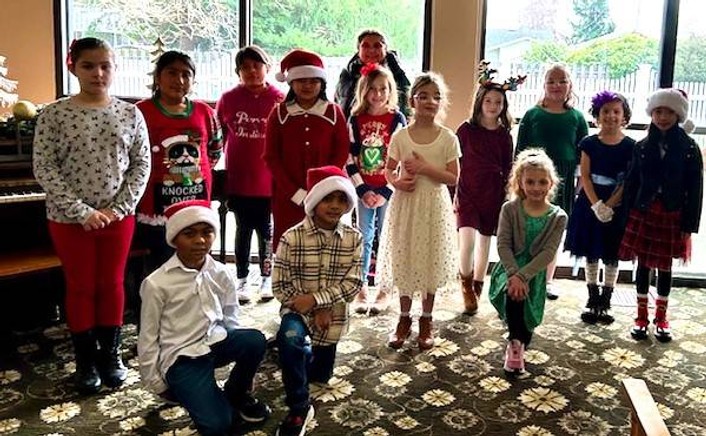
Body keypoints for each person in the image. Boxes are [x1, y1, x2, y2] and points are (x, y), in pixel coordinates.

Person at [33, 37, 151, 394]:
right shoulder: (54, 114)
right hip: (69, 220)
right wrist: (82, 211)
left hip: (118, 217)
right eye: (88, 65)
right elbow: (45, 166)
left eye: (105, 65)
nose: (98, 73)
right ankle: (85, 360)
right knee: (81, 286)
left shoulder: (130, 113)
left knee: (112, 284)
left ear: (114, 68)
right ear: (73, 66)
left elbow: (141, 164)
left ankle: (110, 355)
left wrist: (116, 209)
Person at [138, 200, 271, 436]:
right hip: (183, 357)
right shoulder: (157, 283)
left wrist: (235, 342)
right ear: (174, 238)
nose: (200, 240)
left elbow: (231, 315)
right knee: (219, 424)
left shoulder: (221, 272)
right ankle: (201, 396)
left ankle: (236, 392)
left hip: (215, 343)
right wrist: (156, 383)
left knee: (255, 340)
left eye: (207, 232)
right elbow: (148, 337)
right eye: (189, 234)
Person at [273, 166, 363, 436]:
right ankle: (299, 407)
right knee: (289, 337)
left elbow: (354, 283)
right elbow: (279, 285)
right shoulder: (291, 237)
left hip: (332, 318)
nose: (335, 206)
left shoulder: (354, 238)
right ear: (313, 201)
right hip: (296, 313)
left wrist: (318, 301)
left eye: (341, 199)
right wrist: (310, 308)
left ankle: (298, 353)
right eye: (328, 199)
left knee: (319, 377)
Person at [378, 72, 460, 351]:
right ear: (412, 100)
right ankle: (403, 318)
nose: (429, 101)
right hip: (406, 205)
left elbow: (452, 177)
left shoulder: (447, 138)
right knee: (406, 257)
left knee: (429, 259)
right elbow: (388, 169)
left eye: (436, 97)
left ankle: (426, 319)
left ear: (441, 103)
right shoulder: (401, 136)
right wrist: (397, 181)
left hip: (434, 207)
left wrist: (425, 168)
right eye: (423, 95)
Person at [619, 88, 703, 343]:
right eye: (658, 111)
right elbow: (632, 181)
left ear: (677, 114)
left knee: (665, 267)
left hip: (672, 213)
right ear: (651, 114)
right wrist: (624, 214)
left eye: (668, 112)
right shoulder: (643, 146)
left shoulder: (689, 147)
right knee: (643, 265)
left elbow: (696, 188)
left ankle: (662, 319)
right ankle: (641, 317)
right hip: (643, 211)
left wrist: (689, 224)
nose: (663, 117)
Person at [136, 51, 223, 275]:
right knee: (160, 268)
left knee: (197, 264)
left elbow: (215, 148)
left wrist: (192, 172)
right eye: (172, 73)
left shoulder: (205, 112)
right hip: (156, 208)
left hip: (196, 203)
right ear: (158, 77)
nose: (180, 80)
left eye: (186, 74)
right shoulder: (140, 112)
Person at [488, 149, 567, 377]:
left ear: (551, 183)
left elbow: (548, 253)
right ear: (520, 183)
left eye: (542, 182)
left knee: (527, 325)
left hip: (534, 272)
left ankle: (520, 339)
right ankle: (515, 346)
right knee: (514, 294)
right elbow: (503, 244)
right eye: (530, 181)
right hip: (509, 268)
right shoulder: (510, 209)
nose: (536, 187)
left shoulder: (558, 217)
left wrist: (524, 276)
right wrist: (514, 274)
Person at [216, 45, 284, 304]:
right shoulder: (229, 98)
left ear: (267, 67)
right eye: (245, 67)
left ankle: (267, 278)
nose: (252, 71)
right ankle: (242, 279)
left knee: (267, 230)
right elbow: (217, 135)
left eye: (257, 65)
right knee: (242, 228)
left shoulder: (280, 98)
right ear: (238, 72)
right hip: (239, 177)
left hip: (269, 178)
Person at [264, 49, 349, 253]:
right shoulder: (279, 113)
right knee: (289, 246)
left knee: (325, 247)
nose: (308, 86)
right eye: (301, 80)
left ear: (322, 83)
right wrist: (295, 193)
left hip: (327, 197)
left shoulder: (334, 112)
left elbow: (341, 152)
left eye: (313, 81)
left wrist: (324, 189)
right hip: (287, 197)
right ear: (291, 83)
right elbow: (271, 157)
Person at [516, 63, 588, 300]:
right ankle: (523, 276)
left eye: (562, 81)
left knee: (552, 232)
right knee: (529, 231)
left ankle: (546, 281)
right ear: (544, 85)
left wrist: (579, 185)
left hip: (564, 181)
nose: (557, 86)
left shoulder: (577, 118)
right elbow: (520, 152)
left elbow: (583, 155)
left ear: (570, 86)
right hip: (531, 182)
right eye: (551, 81)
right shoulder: (532, 115)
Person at [564, 91, 635, 325]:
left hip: (617, 204)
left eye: (616, 111)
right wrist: (596, 205)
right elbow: (584, 175)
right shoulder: (588, 143)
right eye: (606, 111)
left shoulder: (631, 146)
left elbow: (627, 181)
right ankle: (592, 299)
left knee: (611, 252)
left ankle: (607, 301)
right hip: (590, 201)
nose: (611, 116)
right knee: (592, 250)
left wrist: (610, 206)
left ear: (624, 115)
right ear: (597, 115)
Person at [455, 61, 520, 315]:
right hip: (468, 191)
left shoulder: (504, 134)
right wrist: (453, 195)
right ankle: (466, 284)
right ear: (480, 102)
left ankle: (479, 285)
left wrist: (508, 195)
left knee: (485, 242)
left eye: (499, 103)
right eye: (489, 101)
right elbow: (455, 164)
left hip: (493, 193)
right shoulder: (465, 130)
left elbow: (509, 166)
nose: (493, 107)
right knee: (467, 241)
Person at [345, 64, 406, 315]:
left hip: (388, 189)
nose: (378, 94)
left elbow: (402, 159)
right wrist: (363, 191)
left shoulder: (397, 119)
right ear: (364, 91)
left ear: (390, 90)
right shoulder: (356, 119)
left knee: (388, 237)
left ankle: (384, 287)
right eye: (372, 89)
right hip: (364, 188)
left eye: (383, 89)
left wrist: (386, 192)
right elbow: (349, 157)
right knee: (364, 237)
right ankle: (360, 288)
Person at [335, 29, 411, 118]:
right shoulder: (348, 74)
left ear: (385, 49)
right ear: (358, 50)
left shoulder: (396, 73)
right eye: (365, 46)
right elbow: (342, 105)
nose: (371, 50)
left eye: (377, 46)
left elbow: (407, 104)